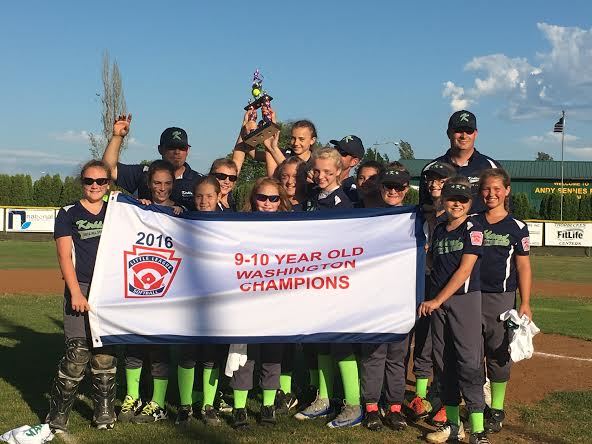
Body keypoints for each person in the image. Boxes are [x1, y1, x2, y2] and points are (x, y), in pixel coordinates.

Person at [46, 160, 117, 432]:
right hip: (81, 287)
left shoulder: (115, 212)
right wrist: (75, 292)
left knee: (104, 355)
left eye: (101, 181)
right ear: (82, 182)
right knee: (77, 354)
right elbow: (64, 256)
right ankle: (58, 414)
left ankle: (104, 412)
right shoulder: (68, 213)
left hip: (108, 290)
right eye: (89, 181)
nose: (95, 186)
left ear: (108, 184)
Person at [419, 178, 489, 444]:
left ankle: (478, 431)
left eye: (462, 200)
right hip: (439, 303)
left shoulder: (473, 227)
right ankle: (453, 426)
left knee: (469, 364)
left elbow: (465, 270)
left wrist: (437, 300)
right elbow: (431, 263)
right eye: (452, 199)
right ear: (443, 200)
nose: (456, 204)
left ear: (470, 202)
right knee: (443, 362)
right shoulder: (439, 230)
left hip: (464, 300)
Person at [119, 161, 186, 425]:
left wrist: (181, 213)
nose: (162, 188)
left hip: (167, 293)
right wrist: (140, 210)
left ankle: (157, 402)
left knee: (159, 349)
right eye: (157, 183)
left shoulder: (181, 212)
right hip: (140, 290)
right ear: (149, 184)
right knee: (134, 346)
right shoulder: (139, 209)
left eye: (167, 183)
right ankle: (131, 397)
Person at [473, 168, 532, 435]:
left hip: (501, 298)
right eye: (486, 188)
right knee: (471, 354)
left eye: (497, 188)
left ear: (507, 190)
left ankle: (496, 408)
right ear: (479, 191)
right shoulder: (471, 222)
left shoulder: (517, 227)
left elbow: (524, 268)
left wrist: (525, 302)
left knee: (498, 353)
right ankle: (475, 404)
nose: (491, 194)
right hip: (470, 296)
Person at [230, 178, 292, 429]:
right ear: (253, 199)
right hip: (247, 300)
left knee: (272, 355)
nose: (267, 203)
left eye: (273, 198)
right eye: (262, 198)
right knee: (244, 355)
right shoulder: (240, 225)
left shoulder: (293, 226)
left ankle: (268, 405)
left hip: (277, 301)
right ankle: (239, 408)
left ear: (281, 201)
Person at [360, 167, 412, 433]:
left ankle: (394, 406)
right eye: (388, 186)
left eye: (398, 187)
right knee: (374, 354)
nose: (392, 191)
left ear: (406, 189)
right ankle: (370, 407)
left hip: (403, 297)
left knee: (397, 355)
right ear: (380, 188)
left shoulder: (414, 218)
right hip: (375, 297)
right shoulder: (370, 217)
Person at [407, 161, 456, 426]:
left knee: (445, 344)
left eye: (441, 180)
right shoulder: (419, 214)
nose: (434, 183)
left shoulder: (456, 217)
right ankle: (421, 397)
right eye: (431, 179)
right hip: (422, 283)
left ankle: (445, 398)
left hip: (446, 287)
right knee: (423, 339)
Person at [175, 175, 226, 427]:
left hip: (217, 301)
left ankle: (208, 405)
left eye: (209, 196)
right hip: (189, 300)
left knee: (210, 356)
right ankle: (184, 406)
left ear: (219, 197)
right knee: (187, 355)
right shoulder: (183, 219)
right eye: (199, 196)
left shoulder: (230, 222)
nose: (204, 201)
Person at [102, 114, 201, 210]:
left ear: (187, 150)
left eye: (182, 148)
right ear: (160, 149)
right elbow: (108, 170)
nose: (177, 152)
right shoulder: (144, 172)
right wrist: (117, 137)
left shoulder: (199, 181)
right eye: (171, 147)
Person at [419, 110, 501, 213]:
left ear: (475, 134)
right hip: (444, 228)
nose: (464, 136)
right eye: (459, 131)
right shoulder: (431, 169)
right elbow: (424, 207)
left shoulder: (492, 167)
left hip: (482, 228)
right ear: (448, 133)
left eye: (469, 131)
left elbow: (504, 207)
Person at [303, 147, 353, 211]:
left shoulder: (342, 204)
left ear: (338, 171)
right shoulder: (311, 194)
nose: (320, 176)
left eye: (327, 171)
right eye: (317, 171)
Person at [330, 135, 365, 204]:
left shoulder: (352, 193)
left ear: (354, 162)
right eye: (336, 149)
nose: (336, 154)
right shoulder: (319, 182)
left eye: (342, 153)